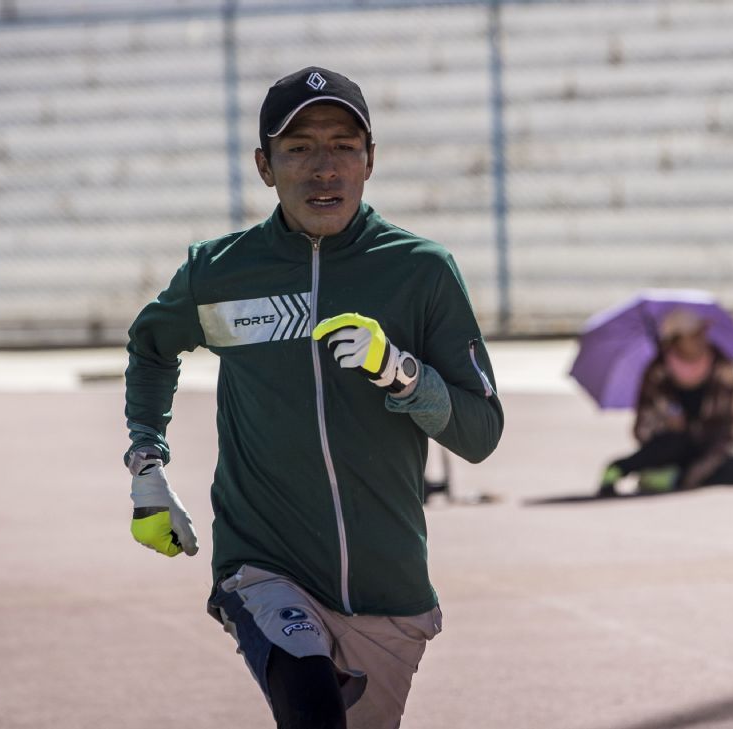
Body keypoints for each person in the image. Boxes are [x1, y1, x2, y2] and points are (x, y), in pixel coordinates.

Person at [123, 66, 503, 729]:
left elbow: (481, 432)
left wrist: (402, 372)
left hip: (391, 590)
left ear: (370, 160)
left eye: (343, 145)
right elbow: (152, 345)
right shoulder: (218, 272)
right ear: (265, 166)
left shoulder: (421, 270)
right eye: (298, 148)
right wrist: (146, 466)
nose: (323, 168)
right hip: (263, 564)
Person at [597, 308, 733, 497]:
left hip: (707, 445)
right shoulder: (657, 372)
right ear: (677, 339)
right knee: (672, 445)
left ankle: (673, 478)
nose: (701, 338)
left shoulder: (721, 368)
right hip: (670, 445)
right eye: (694, 335)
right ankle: (619, 469)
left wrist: (708, 460)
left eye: (702, 332)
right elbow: (643, 425)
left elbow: (732, 423)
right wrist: (666, 421)